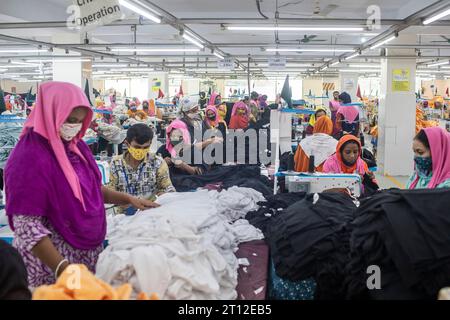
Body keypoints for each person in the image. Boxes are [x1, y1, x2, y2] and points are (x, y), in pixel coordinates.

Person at [4, 82, 159, 287]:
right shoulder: (29, 157)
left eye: (79, 120)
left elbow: (92, 189)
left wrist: (129, 199)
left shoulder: (75, 147)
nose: (75, 126)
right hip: (50, 268)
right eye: (70, 119)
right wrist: (62, 268)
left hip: (83, 259)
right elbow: (27, 226)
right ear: (50, 112)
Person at [109, 124, 175, 215]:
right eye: (137, 147)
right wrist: (127, 202)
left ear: (150, 144)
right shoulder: (116, 163)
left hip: (151, 213)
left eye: (145, 147)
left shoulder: (157, 162)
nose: (141, 150)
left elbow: (168, 189)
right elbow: (111, 192)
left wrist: (161, 196)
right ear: (127, 144)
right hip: (123, 215)